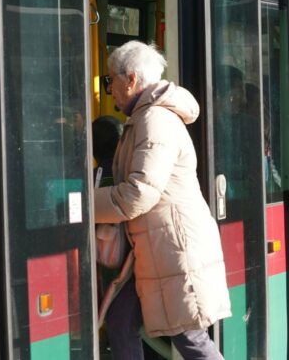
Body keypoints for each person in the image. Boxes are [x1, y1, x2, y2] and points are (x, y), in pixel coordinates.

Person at [95, 41, 230, 360]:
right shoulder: (146, 117)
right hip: (154, 249)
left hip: (172, 248)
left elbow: (137, 194)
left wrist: (82, 204)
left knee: (188, 334)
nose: (109, 89)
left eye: (110, 79)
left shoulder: (153, 120)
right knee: (121, 320)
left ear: (130, 79)